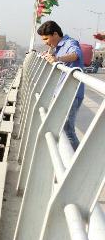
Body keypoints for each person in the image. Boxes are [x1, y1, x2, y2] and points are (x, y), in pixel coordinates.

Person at [37, 20, 85, 150]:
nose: (45, 42)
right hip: (61, 92)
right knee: (61, 128)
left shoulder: (70, 43)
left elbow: (75, 55)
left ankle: (77, 162)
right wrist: (50, 54)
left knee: (68, 131)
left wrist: (58, 59)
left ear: (55, 34)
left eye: (46, 38)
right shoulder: (57, 47)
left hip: (71, 94)